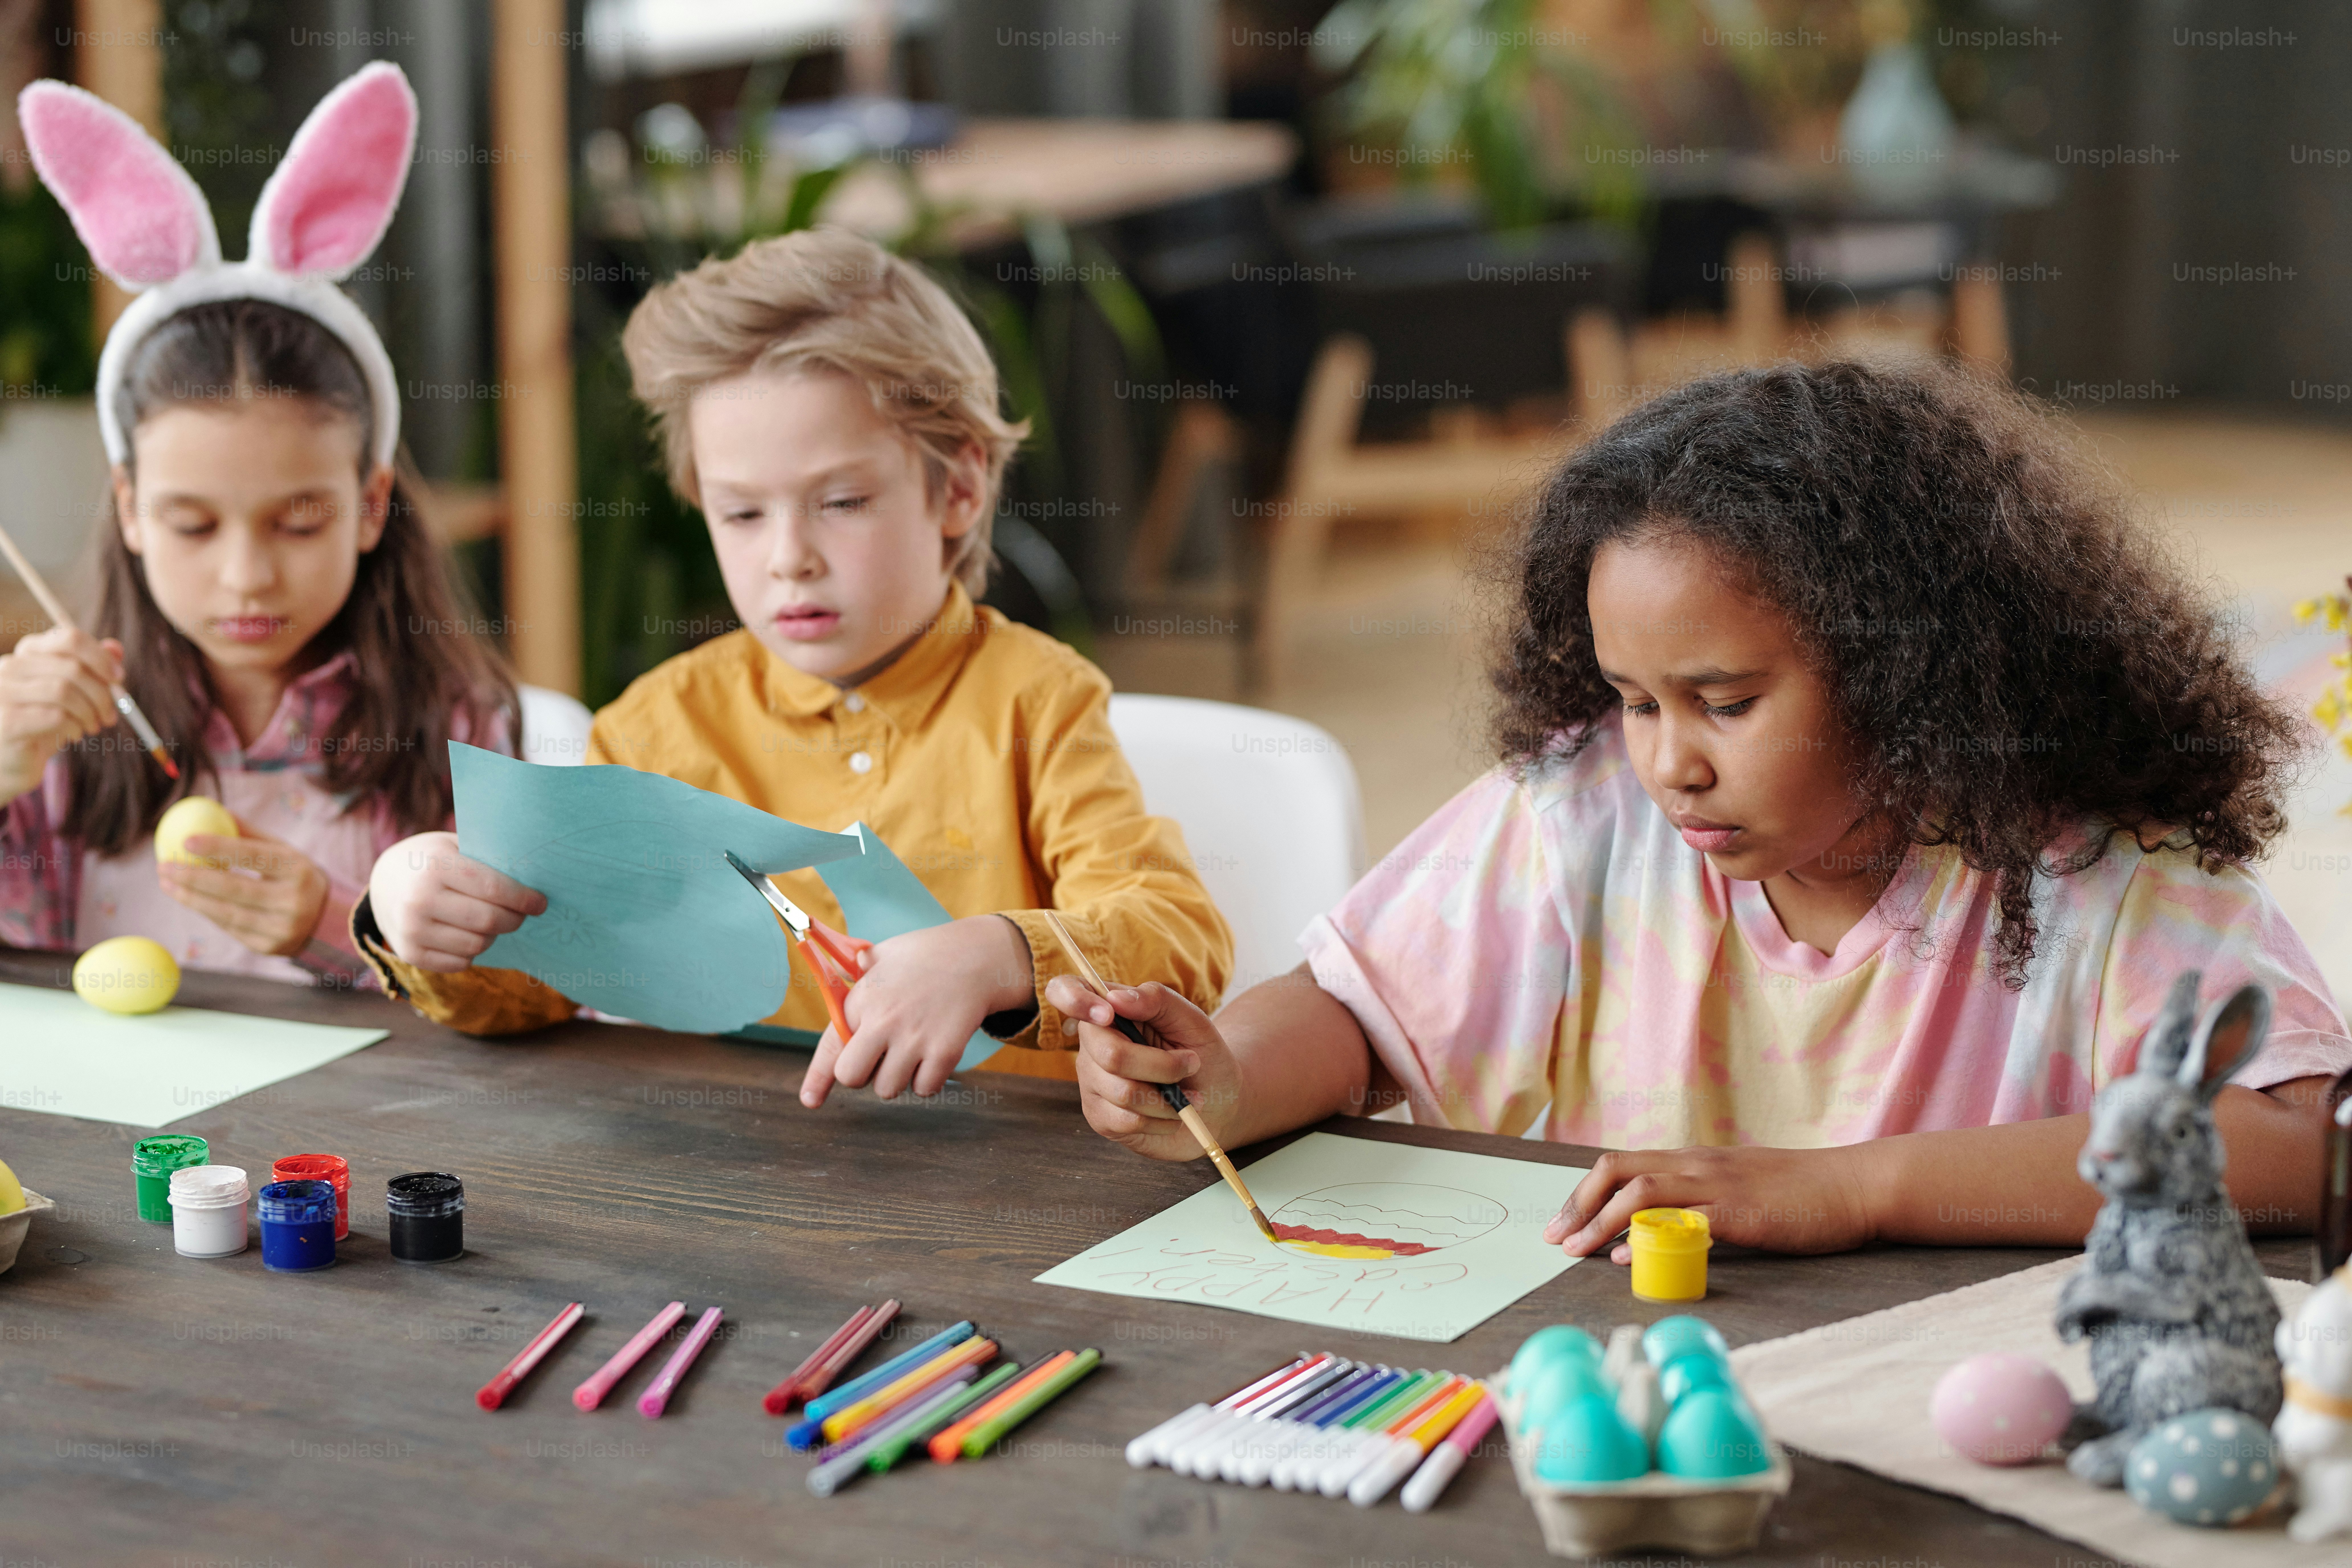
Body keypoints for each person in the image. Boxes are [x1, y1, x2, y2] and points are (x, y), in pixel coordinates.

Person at [1053, 359, 2350, 1261]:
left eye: (1725, 700)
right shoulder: (1584, 814)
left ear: (1908, 669)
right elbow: (1352, 1011)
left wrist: (1853, 1188)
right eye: (1634, 697)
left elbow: (2297, 1141)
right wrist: (1218, 1073)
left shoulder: (2092, 874)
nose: (1669, 760)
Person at [361, 228, 1230, 1103]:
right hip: (736, 1184)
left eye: (842, 503)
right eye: (742, 515)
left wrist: (999, 954)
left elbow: (1177, 938)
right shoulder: (657, 727)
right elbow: (539, 986)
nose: (789, 558)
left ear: (959, 490)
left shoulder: (1039, 703)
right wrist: (416, 911)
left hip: (1002, 1196)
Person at [0, 65, 510, 986]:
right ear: (129, 510)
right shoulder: (62, 743)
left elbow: (530, 1000)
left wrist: (335, 925)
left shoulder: (463, 736)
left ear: (370, 505)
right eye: (193, 526)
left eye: (300, 522)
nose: (247, 578)